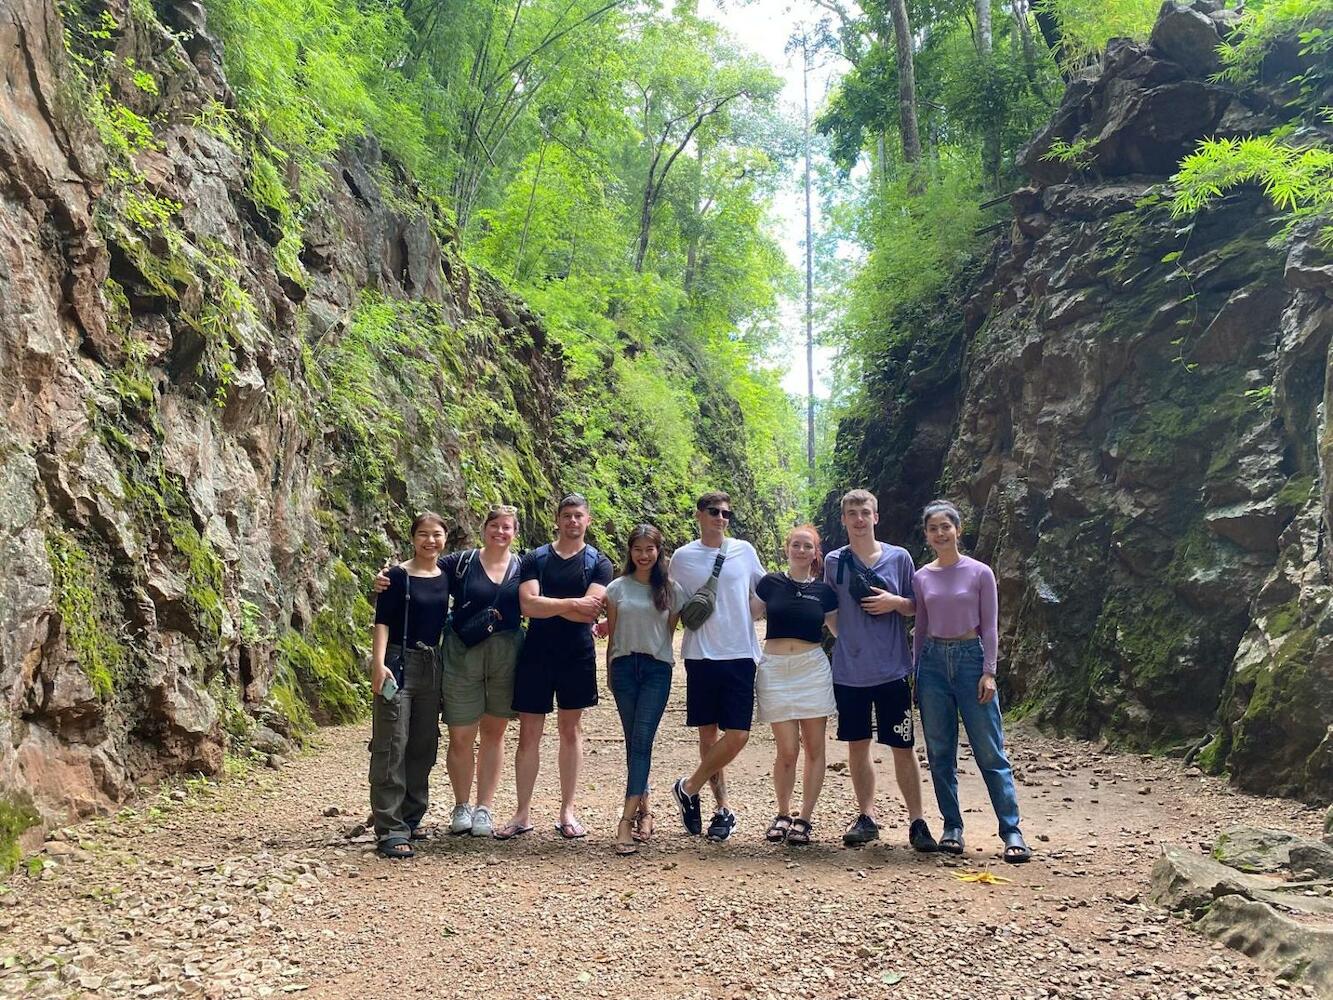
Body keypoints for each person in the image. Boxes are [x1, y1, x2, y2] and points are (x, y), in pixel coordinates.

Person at [913, 500, 1030, 863]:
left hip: (971, 659)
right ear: (927, 534)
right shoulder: (921, 577)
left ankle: (1012, 831)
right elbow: (919, 627)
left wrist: (990, 671)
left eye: (946, 526)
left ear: (958, 530)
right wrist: (917, 673)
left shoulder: (980, 573)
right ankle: (952, 826)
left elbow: (990, 626)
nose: (940, 533)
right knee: (939, 751)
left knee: (989, 750)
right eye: (933, 528)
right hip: (932, 663)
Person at [824, 489, 937, 852]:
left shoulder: (899, 559)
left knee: (902, 745)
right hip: (849, 672)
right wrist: (849, 640)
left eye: (865, 512)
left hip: (892, 670)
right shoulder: (833, 562)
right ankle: (867, 816)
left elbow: (916, 607)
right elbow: (829, 609)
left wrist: (893, 602)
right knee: (858, 746)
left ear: (876, 516)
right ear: (843, 519)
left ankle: (917, 821)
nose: (859, 519)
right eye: (852, 513)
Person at [496, 493, 613, 840]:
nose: (572, 521)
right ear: (558, 520)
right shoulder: (536, 557)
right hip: (537, 652)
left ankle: (567, 810)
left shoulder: (598, 562)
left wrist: (556, 604)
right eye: (566, 515)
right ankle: (522, 813)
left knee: (570, 730)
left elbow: (591, 610)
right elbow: (528, 606)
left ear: (587, 521)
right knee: (529, 733)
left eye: (578, 516)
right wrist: (573, 603)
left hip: (576, 653)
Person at [668, 491, 766, 842]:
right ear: (699, 515)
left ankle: (688, 787)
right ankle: (721, 809)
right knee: (707, 735)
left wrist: (744, 616)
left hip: (740, 652)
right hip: (701, 655)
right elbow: (671, 602)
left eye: (726, 514)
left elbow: (763, 592)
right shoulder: (682, 557)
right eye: (714, 512)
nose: (721, 518)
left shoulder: (744, 551)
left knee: (738, 734)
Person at [437, 504, 524, 839]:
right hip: (463, 650)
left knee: (494, 731)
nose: (500, 532)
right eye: (495, 526)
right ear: (484, 527)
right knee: (460, 732)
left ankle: (484, 807)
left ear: (514, 533)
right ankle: (462, 805)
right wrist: (389, 576)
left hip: (506, 650)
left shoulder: (522, 566)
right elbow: (422, 571)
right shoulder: (460, 562)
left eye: (507, 528)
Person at [368, 512, 450, 859]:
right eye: (422, 535)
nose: (429, 541)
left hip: (433, 665)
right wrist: (378, 664)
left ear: (446, 538)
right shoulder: (396, 578)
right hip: (399, 664)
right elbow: (382, 622)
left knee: (423, 743)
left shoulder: (447, 576)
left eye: (436, 535)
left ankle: (412, 816)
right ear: (412, 538)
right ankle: (390, 827)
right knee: (392, 744)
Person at [603, 525, 687, 856]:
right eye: (638, 548)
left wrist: (658, 659)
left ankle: (625, 822)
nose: (643, 554)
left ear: (658, 551)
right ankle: (645, 809)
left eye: (649, 549)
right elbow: (612, 635)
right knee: (633, 741)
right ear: (630, 551)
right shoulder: (616, 588)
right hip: (624, 668)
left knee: (641, 742)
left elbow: (668, 632)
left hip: (655, 670)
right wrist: (610, 671)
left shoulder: (671, 590)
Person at [754, 524, 839, 845]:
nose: (801, 551)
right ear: (787, 548)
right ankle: (783, 812)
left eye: (808, 547)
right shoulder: (770, 583)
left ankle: (804, 818)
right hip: (774, 670)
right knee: (787, 750)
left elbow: (841, 630)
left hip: (812, 669)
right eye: (796, 545)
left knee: (816, 748)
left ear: (816, 554)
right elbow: (744, 614)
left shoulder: (825, 592)